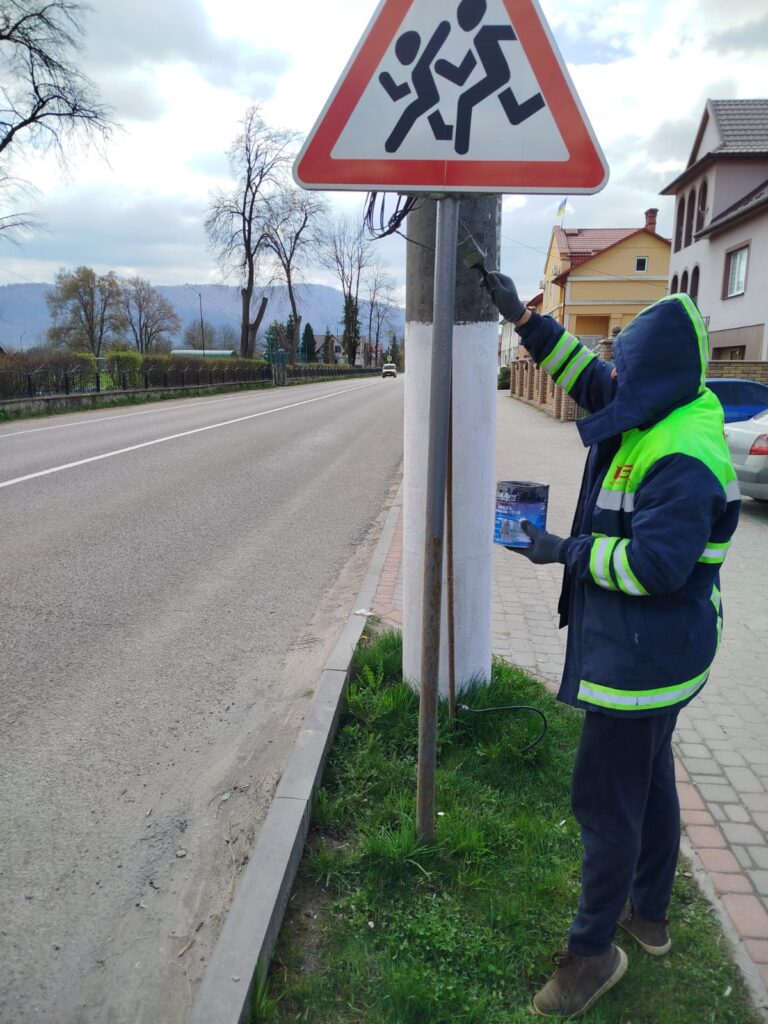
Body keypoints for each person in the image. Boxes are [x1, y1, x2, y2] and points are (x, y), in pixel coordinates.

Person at [483, 273, 740, 1019]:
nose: (614, 379)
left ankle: (594, 954)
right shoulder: (659, 402)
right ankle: (649, 915)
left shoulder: (683, 455)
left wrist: (562, 550)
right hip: (659, 650)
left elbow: (656, 569)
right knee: (650, 774)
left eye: (627, 368)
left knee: (604, 800)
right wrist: (524, 320)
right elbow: (592, 381)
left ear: (653, 376)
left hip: (646, 660)